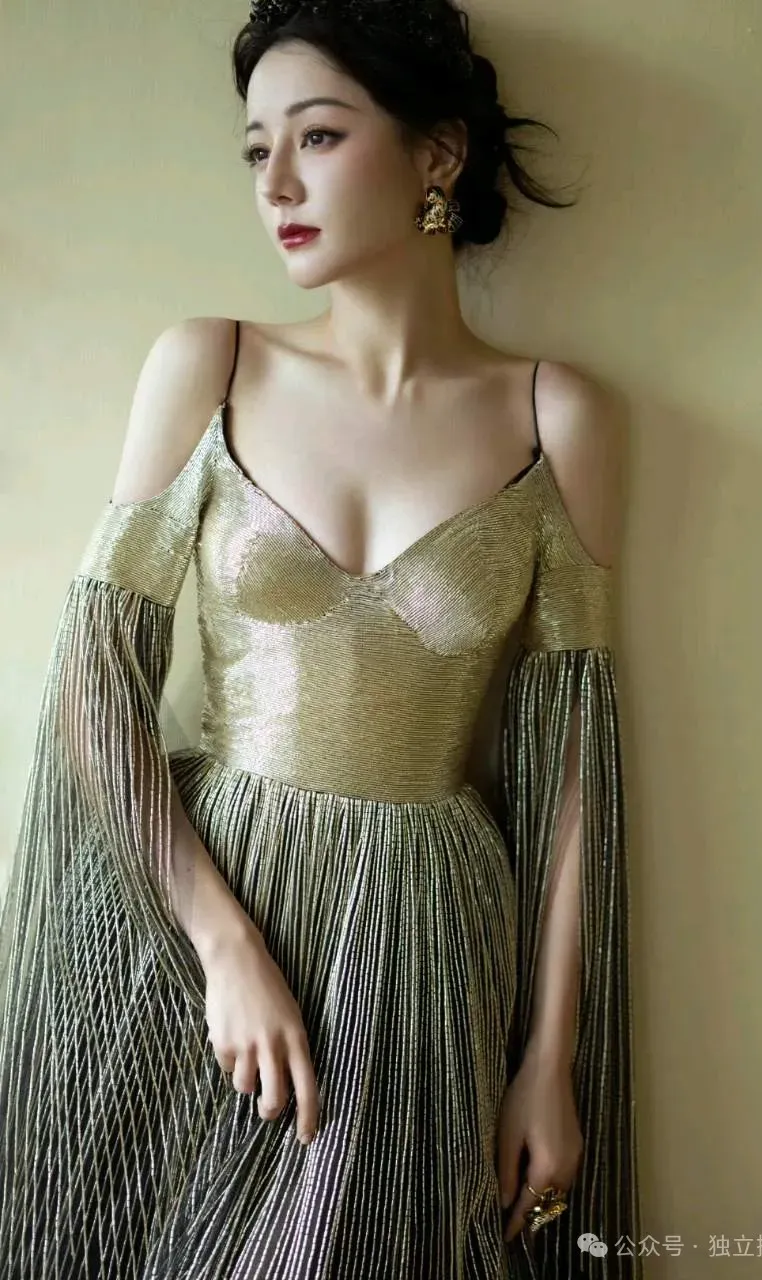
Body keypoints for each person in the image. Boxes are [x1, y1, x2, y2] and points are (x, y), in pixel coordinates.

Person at [0, 1, 643, 1276]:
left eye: (319, 136)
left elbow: (572, 764)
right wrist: (222, 944)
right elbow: (94, 682)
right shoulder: (211, 365)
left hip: (424, 937)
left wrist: (549, 1056)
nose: (276, 183)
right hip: (210, 915)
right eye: (256, 149)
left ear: (436, 154)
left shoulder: (554, 414)